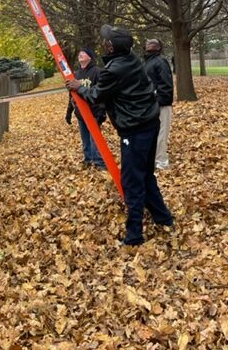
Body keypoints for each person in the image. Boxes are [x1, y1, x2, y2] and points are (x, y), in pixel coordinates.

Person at [66, 24, 173, 246]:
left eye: (107, 42)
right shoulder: (131, 59)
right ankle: (163, 217)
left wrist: (78, 87)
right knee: (145, 174)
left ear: (113, 48)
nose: (103, 43)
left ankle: (134, 235)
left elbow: (96, 95)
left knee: (132, 179)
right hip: (149, 122)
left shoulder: (114, 70)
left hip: (136, 129)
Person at [65, 47, 106, 169]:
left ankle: (99, 162)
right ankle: (88, 159)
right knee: (85, 139)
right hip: (80, 112)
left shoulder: (97, 72)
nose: (80, 54)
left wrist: (102, 111)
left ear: (90, 57)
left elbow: (101, 93)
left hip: (94, 111)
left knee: (95, 138)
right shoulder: (76, 74)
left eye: (84, 53)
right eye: (80, 53)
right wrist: (69, 112)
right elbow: (71, 94)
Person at [144, 39, 174, 170]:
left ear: (159, 47)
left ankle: (160, 160)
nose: (150, 43)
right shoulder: (147, 63)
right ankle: (158, 160)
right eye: (149, 42)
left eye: (154, 43)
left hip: (160, 103)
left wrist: (160, 101)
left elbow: (166, 85)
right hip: (152, 104)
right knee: (157, 132)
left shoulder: (160, 62)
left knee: (161, 132)